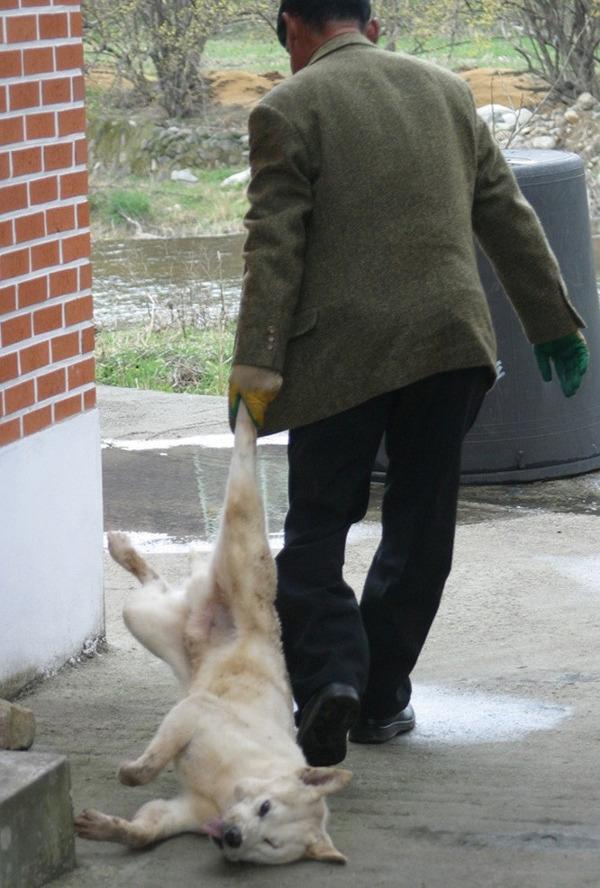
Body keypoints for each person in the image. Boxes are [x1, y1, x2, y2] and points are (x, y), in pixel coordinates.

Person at [228, 0, 590, 768]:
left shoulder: (286, 109)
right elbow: (507, 214)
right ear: (373, 27)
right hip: (449, 350)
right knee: (421, 529)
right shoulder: (447, 91)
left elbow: (274, 248)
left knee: (318, 530)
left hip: (341, 360)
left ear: (292, 27)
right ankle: (384, 693)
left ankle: (331, 680)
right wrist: (555, 324)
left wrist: (256, 366)